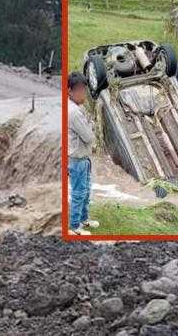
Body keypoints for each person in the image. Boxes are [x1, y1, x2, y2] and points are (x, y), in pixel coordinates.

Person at [67, 72, 99, 236]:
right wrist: (92, 126)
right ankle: (73, 226)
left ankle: (84, 219)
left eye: (84, 90)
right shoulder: (73, 112)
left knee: (85, 191)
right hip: (77, 159)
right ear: (70, 91)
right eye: (80, 90)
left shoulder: (76, 108)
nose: (83, 94)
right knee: (79, 193)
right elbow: (89, 136)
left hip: (83, 158)